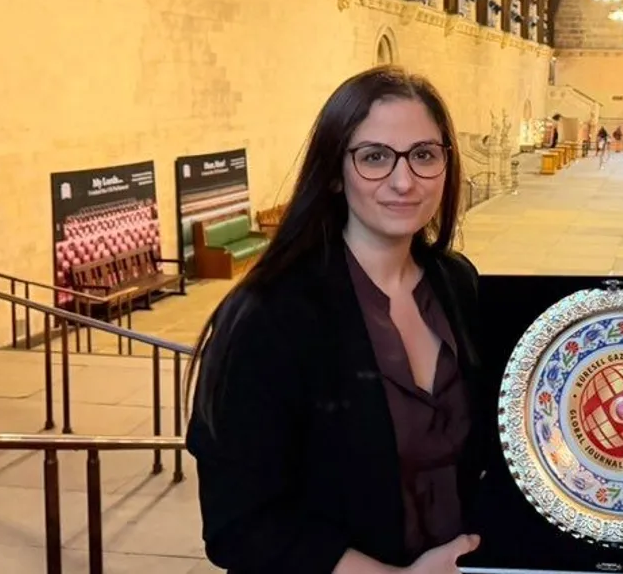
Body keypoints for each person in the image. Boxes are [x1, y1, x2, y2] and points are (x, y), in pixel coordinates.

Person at [186, 66, 489, 573]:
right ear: (333, 172)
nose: (403, 181)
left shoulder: (457, 283)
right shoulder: (267, 315)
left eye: (423, 155)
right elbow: (240, 524)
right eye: (374, 157)